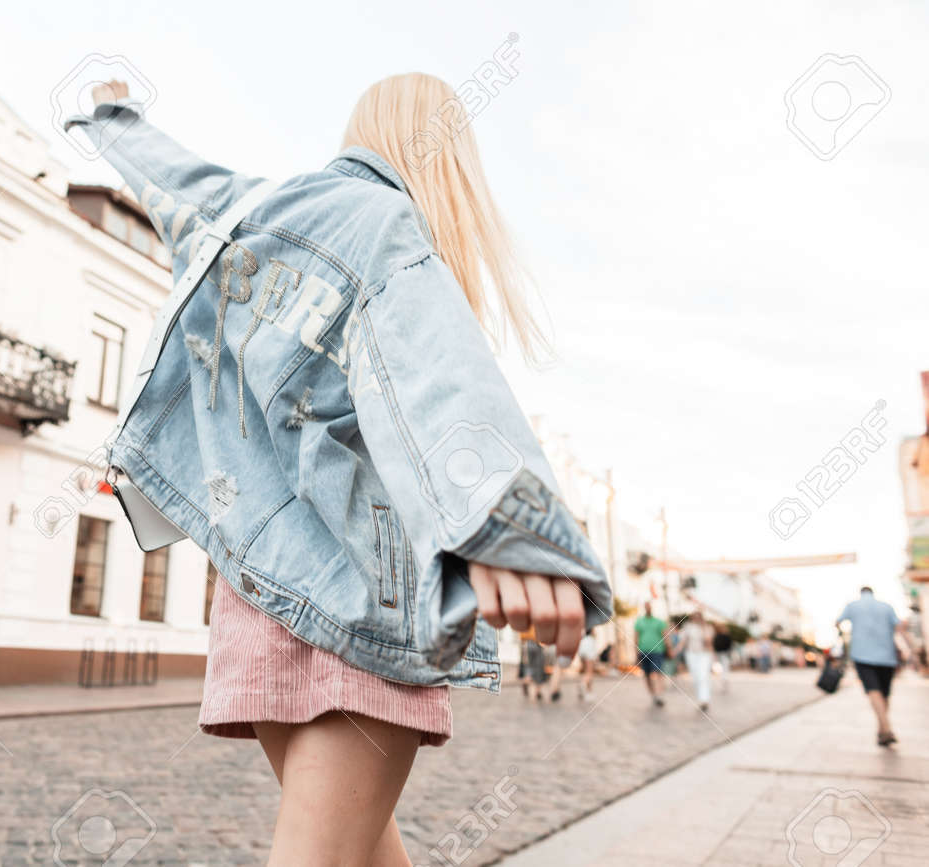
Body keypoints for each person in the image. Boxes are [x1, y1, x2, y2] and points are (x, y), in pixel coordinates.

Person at [67, 74, 613, 865]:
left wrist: (118, 120)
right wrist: (511, 522)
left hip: (258, 591)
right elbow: (439, 377)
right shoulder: (388, 225)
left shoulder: (256, 208)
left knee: (352, 850)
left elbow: (171, 179)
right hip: (363, 583)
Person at [836, 586, 908, 747]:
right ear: (873, 593)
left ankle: (886, 729)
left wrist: (841, 635)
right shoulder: (886, 607)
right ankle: (882, 730)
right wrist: (912, 651)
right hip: (887, 656)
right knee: (884, 694)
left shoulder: (852, 606)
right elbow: (899, 627)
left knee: (873, 691)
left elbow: (838, 622)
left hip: (862, 655)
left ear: (861, 593)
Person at [673, 611, 714, 711]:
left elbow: (708, 641)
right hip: (691, 654)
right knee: (696, 677)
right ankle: (701, 699)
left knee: (703, 676)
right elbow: (682, 642)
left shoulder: (708, 628)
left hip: (704, 654)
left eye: (698, 617)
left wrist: (703, 628)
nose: (696, 619)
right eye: (694, 617)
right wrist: (675, 652)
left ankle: (704, 700)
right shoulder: (688, 627)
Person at [635, 603, 669, 707]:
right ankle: (653, 695)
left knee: (655, 673)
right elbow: (636, 637)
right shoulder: (639, 622)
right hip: (643, 651)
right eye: (646, 606)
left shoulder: (659, 622)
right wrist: (636, 652)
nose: (648, 608)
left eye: (649, 606)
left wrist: (669, 649)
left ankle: (659, 695)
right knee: (647, 675)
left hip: (657, 651)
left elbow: (665, 636)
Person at [577, 626, 599, 700]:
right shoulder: (591, 639)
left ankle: (588, 692)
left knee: (585, 672)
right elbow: (593, 652)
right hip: (589, 655)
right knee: (589, 673)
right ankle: (583, 685)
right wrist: (596, 659)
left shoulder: (583, 639)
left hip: (581, 653)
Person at [712, 622, 733, 692]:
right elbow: (730, 647)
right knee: (725, 669)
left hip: (719, 654)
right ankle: (724, 680)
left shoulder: (716, 636)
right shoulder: (727, 636)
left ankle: (723, 681)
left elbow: (714, 647)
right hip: (725, 654)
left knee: (720, 670)